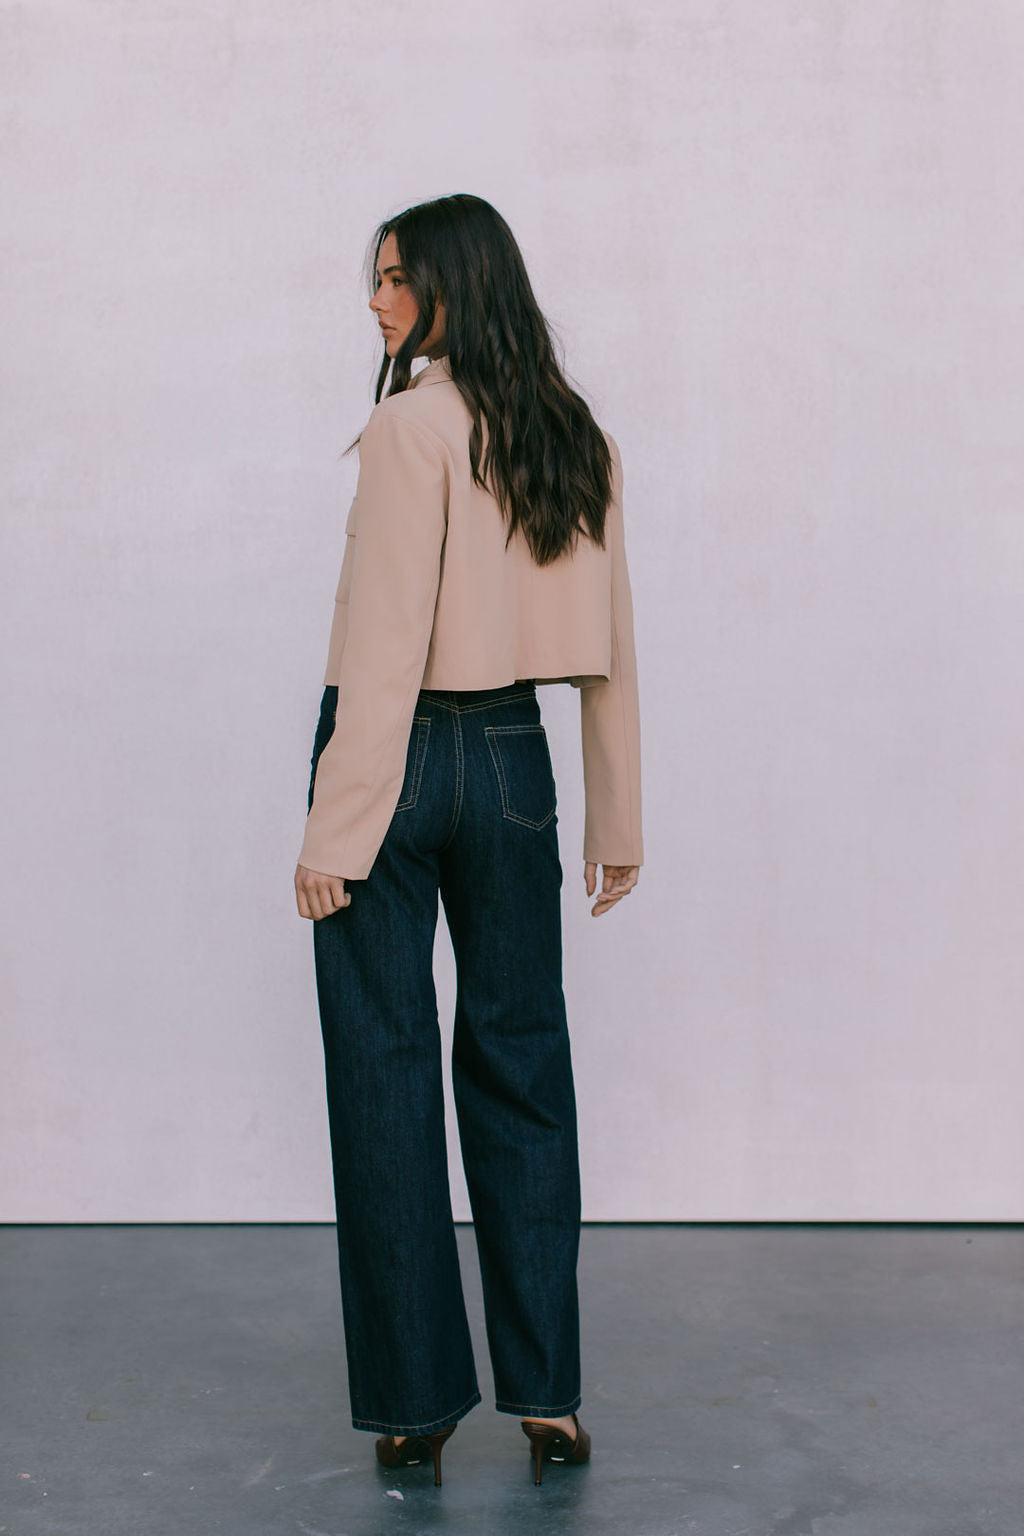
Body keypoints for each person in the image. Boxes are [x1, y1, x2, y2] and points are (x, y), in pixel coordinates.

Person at [293, 193, 643, 1487]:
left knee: (385, 1078)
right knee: (522, 1064)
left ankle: (415, 1405)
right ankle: (546, 1397)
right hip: (513, 761)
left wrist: (338, 825)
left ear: (449, 289)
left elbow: (384, 648)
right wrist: (619, 811)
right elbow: (611, 641)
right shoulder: (572, 433)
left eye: (393, 280)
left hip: (392, 760)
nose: (375, 301)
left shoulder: (409, 427)